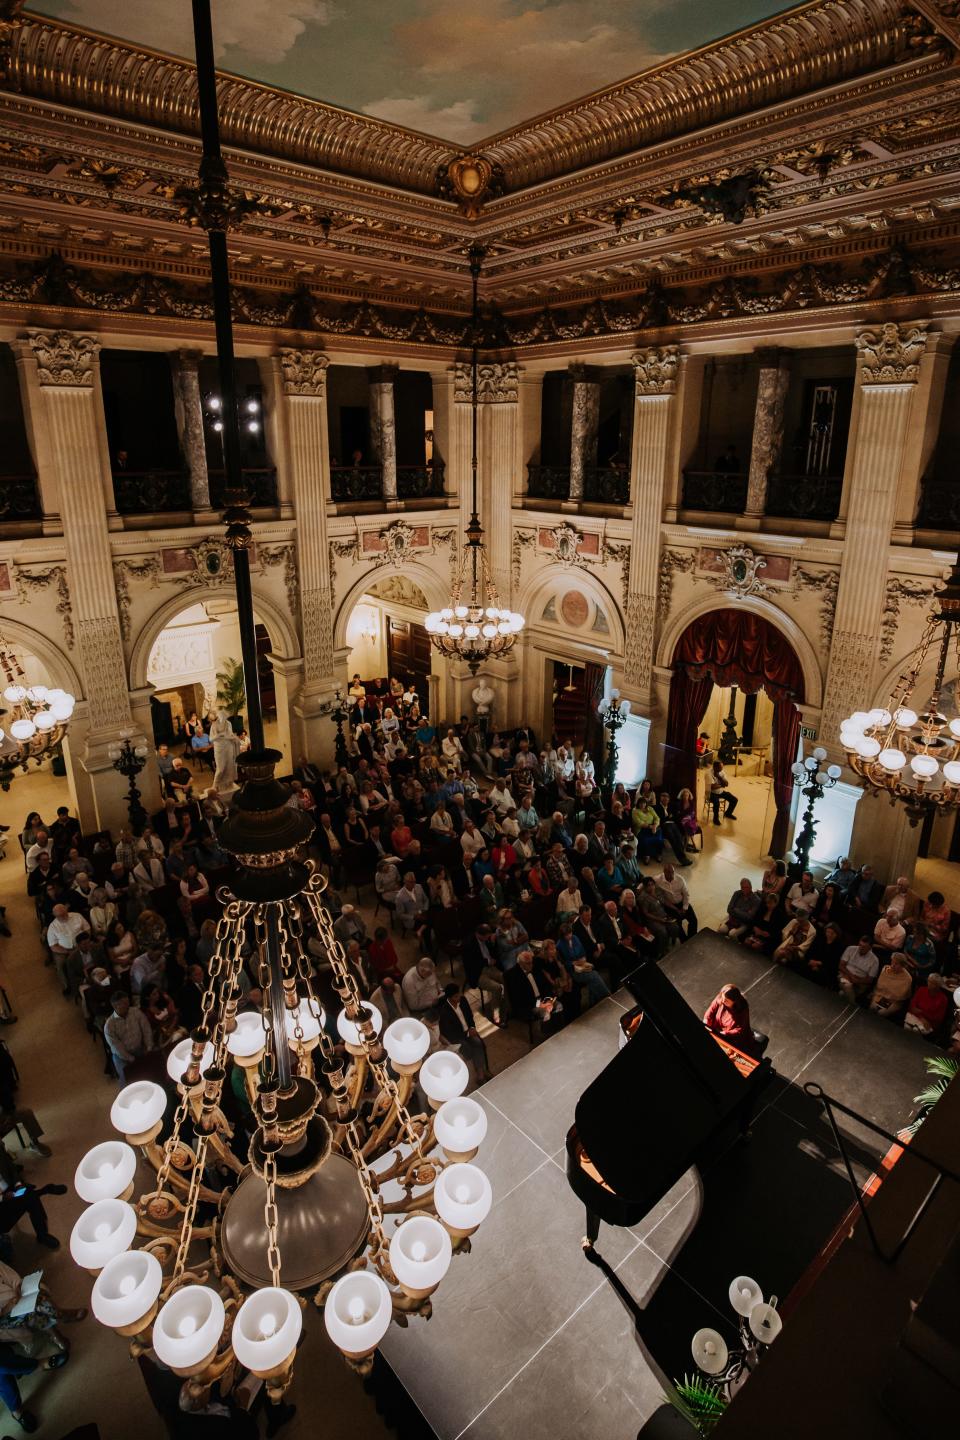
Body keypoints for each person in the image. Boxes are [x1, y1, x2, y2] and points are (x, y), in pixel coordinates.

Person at [438, 985, 491, 1084]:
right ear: (450, 998)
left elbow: (470, 1016)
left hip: (468, 1032)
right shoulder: (444, 1012)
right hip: (457, 1038)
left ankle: (480, 1074)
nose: (459, 998)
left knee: (478, 1043)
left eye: (459, 995)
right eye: (456, 997)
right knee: (470, 1048)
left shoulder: (463, 1000)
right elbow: (450, 1033)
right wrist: (467, 1034)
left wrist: (472, 1027)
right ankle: (481, 1073)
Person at [103, 992, 153, 1083]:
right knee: (126, 1078)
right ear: (116, 1007)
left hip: (140, 1048)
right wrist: (132, 1059)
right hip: (122, 1056)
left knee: (152, 1066)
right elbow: (117, 1048)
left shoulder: (135, 1012)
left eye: (128, 1002)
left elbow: (146, 1029)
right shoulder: (109, 1026)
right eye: (125, 1004)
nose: (128, 1005)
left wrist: (149, 1046)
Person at [703, 984, 753, 1050]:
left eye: (726, 1000)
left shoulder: (742, 1009)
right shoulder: (721, 998)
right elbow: (710, 1011)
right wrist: (706, 1021)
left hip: (732, 1038)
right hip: (717, 1031)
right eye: (723, 998)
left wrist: (725, 1033)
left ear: (734, 1001)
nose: (723, 1001)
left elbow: (739, 1030)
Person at [655, 864, 697, 938]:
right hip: (670, 906)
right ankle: (684, 941)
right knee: (677, 926)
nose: (671, 875)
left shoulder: (680, 879)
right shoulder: (658, 880)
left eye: (672, 872)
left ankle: (692, 938)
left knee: (694, 920)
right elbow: (648, 881)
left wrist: (684, 908)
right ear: (664, 872)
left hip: (682, 902)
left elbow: (686, 894)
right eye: (669, 873)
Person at [869, 952, 913, 1019]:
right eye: (892, 962)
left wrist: (888, 996)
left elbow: (900, 995)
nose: (892, 965)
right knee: (872, 1008)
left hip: (895, 1001)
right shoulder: (886, 969)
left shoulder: (907, 978)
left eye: (896, 964)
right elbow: (880, 984)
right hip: (881, 995)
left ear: (902, 966)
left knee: (881, 1013)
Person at [837, 936, 880, 1003]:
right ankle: (853, 1005)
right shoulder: (850, 949)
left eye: (864, 947)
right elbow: (841, 965)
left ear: (870, 948)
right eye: (860, 945)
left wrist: (857, 981)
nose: (860, 948)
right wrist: (851, 976)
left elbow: (870, 979)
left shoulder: (874, 960)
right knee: (847, 986)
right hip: (845, 975)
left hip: (861, 982)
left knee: (842, 994)